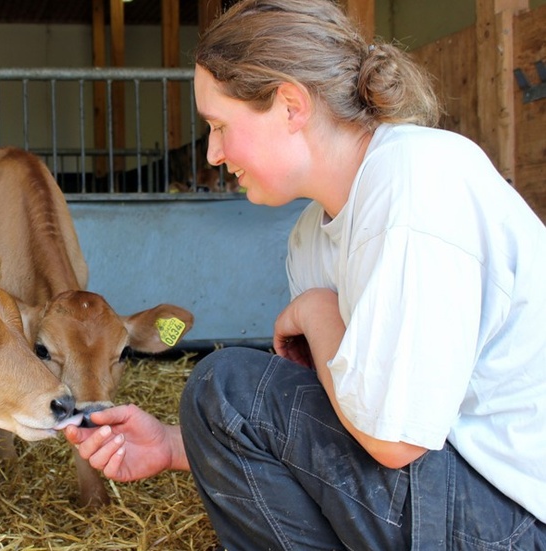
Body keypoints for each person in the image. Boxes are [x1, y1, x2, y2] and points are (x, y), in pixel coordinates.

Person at [63, 0, 546, 549]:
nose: (214, 153)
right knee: (219, 403)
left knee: (223, 386)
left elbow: (393, 441)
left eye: (220, 125)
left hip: (515, 513)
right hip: (450, 492)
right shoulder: (310, 238)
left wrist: (317, 315)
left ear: (291, 105)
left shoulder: (416, 178)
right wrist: (176, 446)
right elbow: (335, 426)